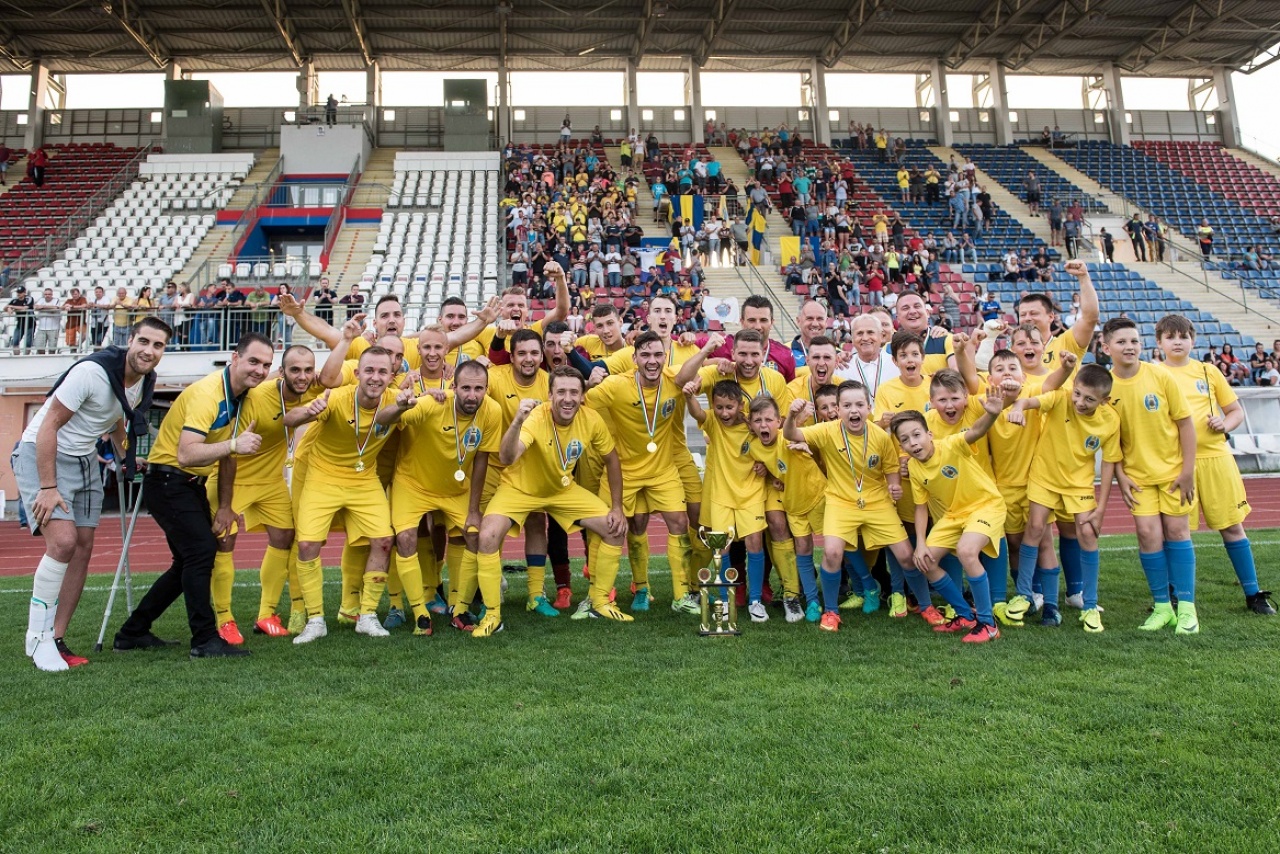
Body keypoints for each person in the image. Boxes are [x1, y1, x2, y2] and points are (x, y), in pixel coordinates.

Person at [12, 317, 169, 671]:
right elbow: (48, 423)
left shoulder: (141, 381)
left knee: (82, 548)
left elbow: (114, 419)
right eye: (144, 341)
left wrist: (127, 455)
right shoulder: (92, 372)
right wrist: (49, 488)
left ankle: (55, 637)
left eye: (158, 346)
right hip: (44, 452)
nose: (149, 351)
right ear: (130, 340)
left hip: (84, 459)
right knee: (63, 543)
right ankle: (36, 638)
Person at [114, 333, 275, 659]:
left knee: (187, 562)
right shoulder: (208, 394)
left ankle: (132, 632)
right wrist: (233, 445)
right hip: (169, 482)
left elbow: (228, 455)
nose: (260, 370)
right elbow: (188, 454)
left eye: (267, 365)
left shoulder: (242, 397)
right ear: (235, 358)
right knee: (201, 553)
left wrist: (226, 507)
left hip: (188, 484)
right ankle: (204, 640)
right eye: (254, 361)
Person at [286, 325, 418, 640]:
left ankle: (367, 614)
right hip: (323, 476)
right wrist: (307, 412)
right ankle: (315, 620)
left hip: (363, 478)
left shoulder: (396, 399)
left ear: (391, 375)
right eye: (369, 370)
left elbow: (387, 415)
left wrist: (423, 399)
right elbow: (288, 420)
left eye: (382, 372)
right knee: (307, 544)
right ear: (357, 373)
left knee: (384, 541)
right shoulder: (336, 397)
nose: (375, 377)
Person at [476, 366, 627, 636]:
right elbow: (508, 457)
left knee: (615, 527)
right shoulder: (535, 417)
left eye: (573, 392)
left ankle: (599, 602)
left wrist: (617, 506)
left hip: (561, 489)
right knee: (486, 536)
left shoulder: (591, 419)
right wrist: (516, 421)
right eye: (561, 392)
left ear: (582, 396)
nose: (567, 398)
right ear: (550, 395)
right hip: (519, 489)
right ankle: (492, 616)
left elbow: (612, 460)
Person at [203, 344, 326, 643]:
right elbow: (229, 453)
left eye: (308, 370)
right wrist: (226, 504)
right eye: (295, 370)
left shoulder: (312, 391)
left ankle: (266, 614)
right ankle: (224, 619)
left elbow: (338, 375)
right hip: (232, 478)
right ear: (281, 372)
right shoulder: (256, 398)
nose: (302, 376)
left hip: (270, 482)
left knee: (284, 536)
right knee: (225, 541)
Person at [1155, 315, 1274, 615]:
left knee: (1233, 527)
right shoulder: (1153, 374)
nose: (1177, 342)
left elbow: (1235, 411)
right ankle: (1174, 597)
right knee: (1175, 531)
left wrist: (1224, 423)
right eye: (1170, 337)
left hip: (1216, 459)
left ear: (1193, 340)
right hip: (1177, 464)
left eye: (1183, 336)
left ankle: (1253, 594)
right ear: (1159, 343)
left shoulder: (1208, 372)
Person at [583, 331, 696, 613]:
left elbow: (701, 372)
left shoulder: (674, 380)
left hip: (663, 470)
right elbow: (582, 403)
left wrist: (715, 359)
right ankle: (624, 592)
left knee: (679, 522)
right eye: (645, 355)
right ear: (634, 359)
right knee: (625, 527)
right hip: (625, 470)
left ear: (665, 357)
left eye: (658, 355)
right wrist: (587, 384)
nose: (652, 361)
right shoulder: (617, 385)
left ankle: (682, 596)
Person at [1100, 316, 1200, 634]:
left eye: (1134, 341)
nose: (1129, 347)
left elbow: (1186, 424)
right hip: (1137, 477)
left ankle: (1187, 609)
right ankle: (1162, 607)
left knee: (1178, 533)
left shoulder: (1160, 376)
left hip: (1173, 474)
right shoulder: (1105, 388)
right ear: (1105, 348)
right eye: (1121, 342)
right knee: (1147, 536)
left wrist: (1187, 472)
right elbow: (1110, 440)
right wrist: (1120, 476)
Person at [1006, 357, 1120, 632]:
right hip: (1044, 477)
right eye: (1078, 393)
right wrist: (1018, 407)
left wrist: (1101, 508)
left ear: (1104, 401)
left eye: (1089, 399)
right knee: (1033, 529)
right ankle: (1023, 595)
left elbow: (1108, 464)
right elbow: (1028, 402)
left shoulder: (1110, 421)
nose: (1080, 402)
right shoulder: (1060, 398)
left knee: (1088, 535)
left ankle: (1090, 606)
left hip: (1079, 485)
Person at [891, 384, 1009, 643]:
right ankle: (966, 615)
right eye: (905, 440)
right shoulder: (913, 467)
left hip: (985, 505)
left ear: (929, 434)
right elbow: (921, 507)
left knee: (967, 551)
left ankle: (988, 624)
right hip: (954, 516)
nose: (913, 443)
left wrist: (991, 413)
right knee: (925, 561)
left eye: (917, 435)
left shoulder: (952, 445)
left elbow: (977, 430)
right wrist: (920, 543)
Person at [32, 287, 62, 354]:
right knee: (39, 347)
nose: (47, 296)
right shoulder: (41, 300)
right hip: (41, 328)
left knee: (52, 348)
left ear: (52, 294)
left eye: (49, 294)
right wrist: (49, 308)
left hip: (53, 328)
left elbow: (55, 308)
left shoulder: (56, 300)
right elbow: (36, 307)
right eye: (46, 294)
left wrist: (43, 307)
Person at [7, 285, 34, 353]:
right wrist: (9, 308)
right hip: (20, 323)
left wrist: (12, 307)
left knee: (28, 342)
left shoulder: (29, 298)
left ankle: (26, 356)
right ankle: (16, 356)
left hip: (30, 323)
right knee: (15, 341)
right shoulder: (15, 300)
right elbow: (6, 307)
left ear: (24, 292)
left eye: (21, 292)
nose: (19, 294)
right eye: (18, 292)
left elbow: (26, 307)